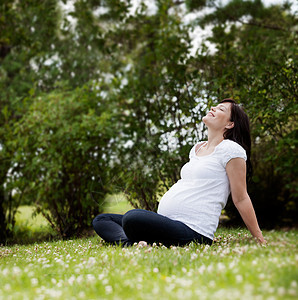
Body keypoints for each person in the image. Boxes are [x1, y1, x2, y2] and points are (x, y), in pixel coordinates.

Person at [92, 99, 266, 246]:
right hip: (167, 223)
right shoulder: (197, 148)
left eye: (221, 109)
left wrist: (259, 238)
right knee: (102, 220)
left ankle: (137, 240)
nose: (213, 108)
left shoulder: (231, 150)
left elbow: (241, 197)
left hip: (193, 230)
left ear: (230, 123)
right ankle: (134, 243)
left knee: (132, 218)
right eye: (215, 106)